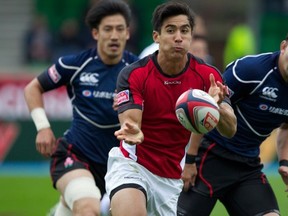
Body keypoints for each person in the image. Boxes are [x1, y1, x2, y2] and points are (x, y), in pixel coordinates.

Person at [104, 2, 237, 216]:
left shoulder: (207, 76)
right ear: (156, 36)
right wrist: (134, 130)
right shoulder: (134, 74)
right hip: (133, 164)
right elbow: (130, 120)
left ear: (192, 36)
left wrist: (215, 106)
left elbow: (230, 129)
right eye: (170, 30)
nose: (178, 37)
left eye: (184, 31)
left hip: (170, 180)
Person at [23, 1, 138, 215]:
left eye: (120, 29)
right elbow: (33, 88)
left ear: (127, 33)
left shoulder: (139, 71)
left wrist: (131, 106)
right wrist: (43, 127)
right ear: (95, 33)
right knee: (88, 207)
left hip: (118, 165)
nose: (114, 35)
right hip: (76, 154)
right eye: (108, 29)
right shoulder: (75, 64)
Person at [177, 34, 288, 216]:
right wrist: (189, 161)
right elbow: (204, 109)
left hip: (248, 166)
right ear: (283, 46)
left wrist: (284, 162)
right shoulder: (250, 70)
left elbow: (285, 127)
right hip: (210, 158)